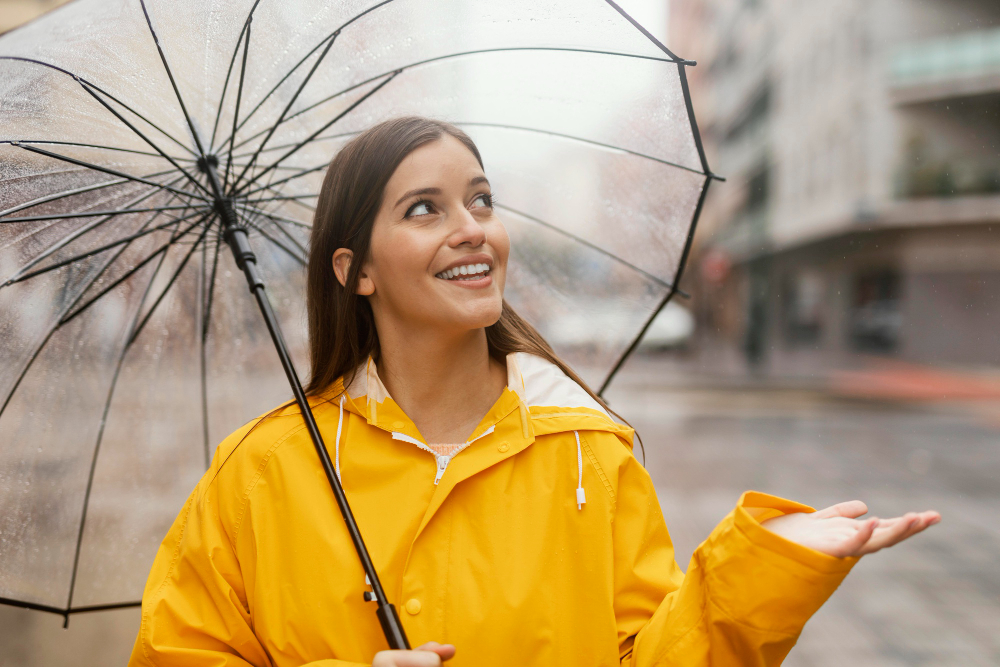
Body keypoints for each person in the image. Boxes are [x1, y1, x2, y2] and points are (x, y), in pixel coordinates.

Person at [128, 116, 940, 667]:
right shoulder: (261, 472)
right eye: (424, 208)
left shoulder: (588, 453)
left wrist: (763, 572)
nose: (473, 225)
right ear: (357, 271)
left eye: (481, 198)